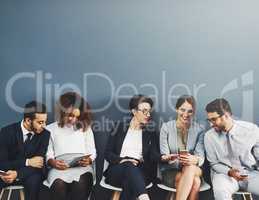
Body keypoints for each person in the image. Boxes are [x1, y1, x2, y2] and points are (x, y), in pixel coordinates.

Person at [104, 94, 161, 200]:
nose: (148, 114)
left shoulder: (151, 132)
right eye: (144, 111)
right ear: (134, 111)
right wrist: (123, 160)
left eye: (149, 111)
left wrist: (163, 157)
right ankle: (144, 197)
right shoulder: (119, 127)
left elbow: (153, 155)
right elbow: (108, 153)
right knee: (129, 166)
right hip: (118, 169)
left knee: (129, 181)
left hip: (141, 171)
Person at [43, 92, 96, 200]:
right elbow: (48, 153)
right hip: (58, 168)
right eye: (70, 115)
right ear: (62, 112)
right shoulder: (50, 129)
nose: (73, 119)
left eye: (77, 116)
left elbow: (92, 150)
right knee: (58, 185)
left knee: (81, 184)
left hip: (82, 168)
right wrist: (53, 162)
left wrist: (89, 160)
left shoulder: (85, 128)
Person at [204, 98, 259, 200]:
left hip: (250, 174)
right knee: (221, 191)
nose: (211, 124)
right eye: (209, 120)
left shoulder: (251, 130)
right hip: (224, 174)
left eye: (214, 119)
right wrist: (230, 172)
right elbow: (214, 163)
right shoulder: (209, 136)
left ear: (226, 115)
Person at [0, 101, 50, 200]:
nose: (44, 126)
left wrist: (17, 174)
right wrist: (28, 162)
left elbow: (39, 165)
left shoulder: (45, 134)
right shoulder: (6, 132)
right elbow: (2, 163)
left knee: (35, 180)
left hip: (29, 174)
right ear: (28, 120)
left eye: (45, 121)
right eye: (40, 122)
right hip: (6, 173)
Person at [160, 95, 205, 200]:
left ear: (193, 112)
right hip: (171, 171)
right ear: (177, 109)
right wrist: (174, 159)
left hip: (194, 169)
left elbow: (200, 157)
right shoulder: (166, 128)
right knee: (196, 181)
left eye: (190, 111)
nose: (185, 114)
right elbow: (164, 155)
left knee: (190, 167)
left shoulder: (199, 130)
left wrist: (194, 159)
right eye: (182, 110)